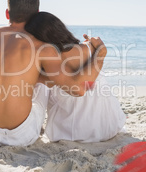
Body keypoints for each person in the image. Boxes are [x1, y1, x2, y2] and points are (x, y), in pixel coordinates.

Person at [0, 0, 107, 148]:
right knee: (41, 75)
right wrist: (100, 54)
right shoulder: (42, 47)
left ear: (7, 14)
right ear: (37, 13)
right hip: (20, 136)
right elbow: (78, 90)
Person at [25, 12, 126, 143]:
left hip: (74, 132)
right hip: (109, 126)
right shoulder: (90, 47)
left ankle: (30, 126)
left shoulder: (50, 60)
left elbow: (78, 89)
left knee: (39, 84)